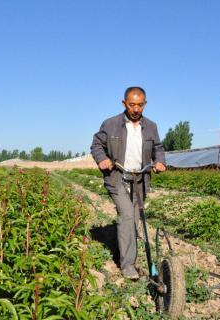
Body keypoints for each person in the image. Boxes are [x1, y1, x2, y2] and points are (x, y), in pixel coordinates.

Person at [91, 86, 166, 280]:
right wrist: (102, 159)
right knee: (126, 216)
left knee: (134, 219)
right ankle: (127, 266)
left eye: (140, 105)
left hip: (140, 179)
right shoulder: (110, 124)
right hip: (117, 177)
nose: (136, 109)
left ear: (145, 104)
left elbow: (158, 148)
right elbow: (97, 144)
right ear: (124, 103)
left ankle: (129, 253)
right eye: (132, 105)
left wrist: (160, 161)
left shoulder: (151, 126)